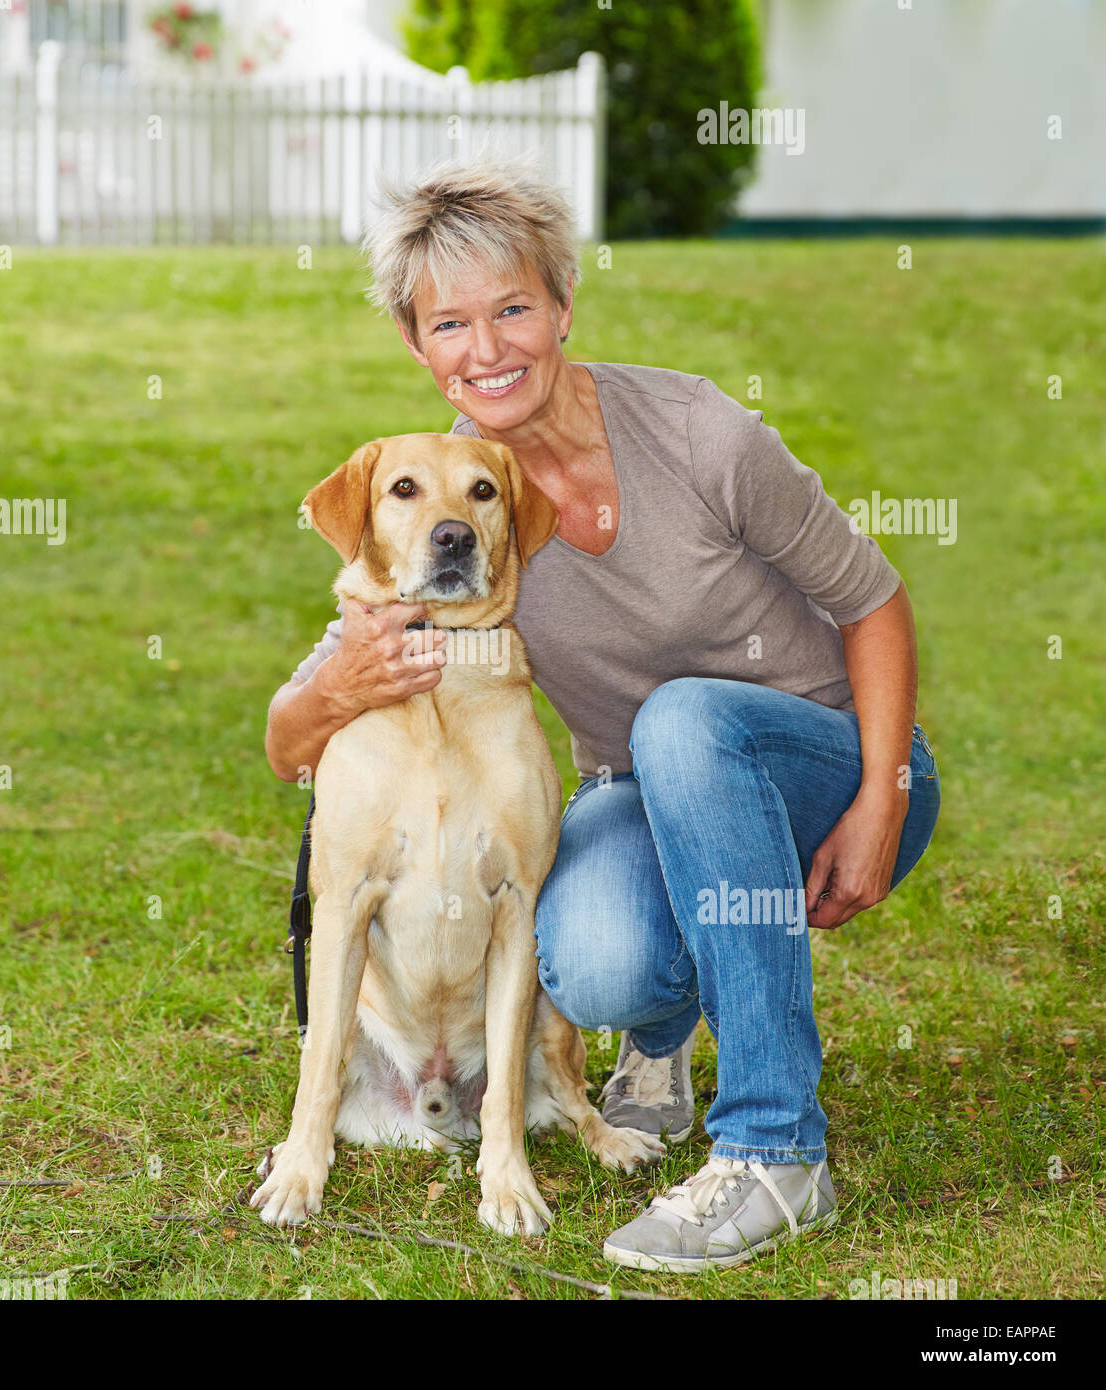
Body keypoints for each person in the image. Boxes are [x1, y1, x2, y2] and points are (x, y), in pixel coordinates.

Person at [264, 152, 941, 1272]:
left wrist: (883, 793)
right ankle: (657, 1043)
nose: (486, 349)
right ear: (417, 345)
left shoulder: (699, 433)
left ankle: (776, 1146)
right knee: (593, 958)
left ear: (564, 304)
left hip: (830, 758)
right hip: (651, 792)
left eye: (514, 309)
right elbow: (293, 737)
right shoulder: (443, 503)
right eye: (450, 325)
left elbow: (872, 601)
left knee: (682, 720)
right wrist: (334, 688)